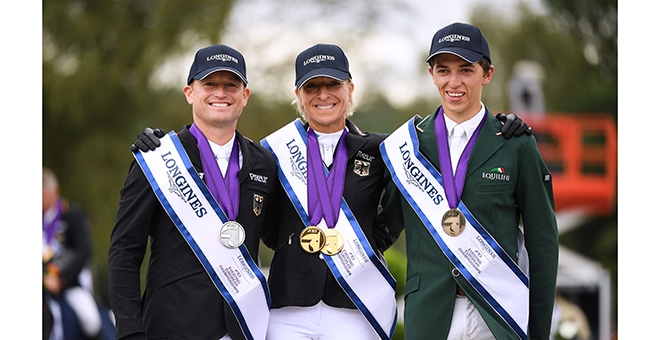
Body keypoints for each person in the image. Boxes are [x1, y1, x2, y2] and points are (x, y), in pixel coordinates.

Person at [132, 43, 531, 340]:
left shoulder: (382, 149)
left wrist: (510, 124)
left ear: (350, 89)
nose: (323, 94)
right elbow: (260, 223)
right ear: (299, 96)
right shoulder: (270, 153)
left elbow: (436, 156)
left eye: (333, 84)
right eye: (312, 87)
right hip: (288, 307)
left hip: (354, 306)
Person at [379, 22, 559, 340]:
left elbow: (543, 244)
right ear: (432, 74)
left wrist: (539, 330)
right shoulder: (410, 146)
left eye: (466, 70)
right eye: (443, 70)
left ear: (486, 74)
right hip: (430, 317)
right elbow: (381, 231)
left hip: (498, 315)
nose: (454, 82)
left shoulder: (516, 144)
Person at [108, 44, 278, 340]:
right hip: (172, 327)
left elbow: (279, 235)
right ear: (190, 92)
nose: (220, 93)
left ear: (244, 96)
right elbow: (124, 252)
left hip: (244, 327)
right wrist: (129, 331)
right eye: (210, 84)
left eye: (231, 85)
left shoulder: (263, 162)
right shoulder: (159, 158)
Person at [43, 167, 102, 340]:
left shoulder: (73, 215)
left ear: (54, 192)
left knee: (91, 320)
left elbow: (84, 252)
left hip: (68, 284)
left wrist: (60, 278)